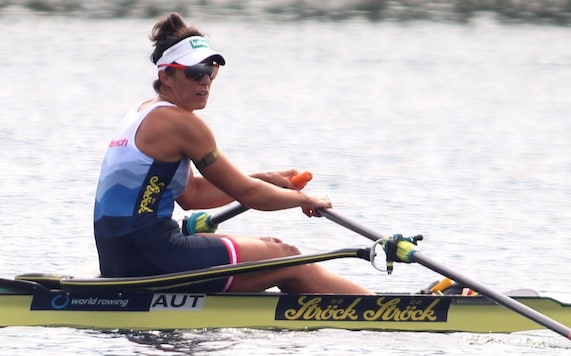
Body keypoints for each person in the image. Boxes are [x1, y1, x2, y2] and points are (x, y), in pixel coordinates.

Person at [93, 13, 372, 295]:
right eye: (194, 72)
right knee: (289, 257)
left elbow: (192, 194)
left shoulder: (142, 112)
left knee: (272, 248)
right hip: (153, 255)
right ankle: (377, 308)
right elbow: (251, 195)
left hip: (119, 256)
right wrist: (305, 199)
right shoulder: (181, 124)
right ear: (166, 75)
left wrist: (266, 178)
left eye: (210, 70)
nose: (204, 81)